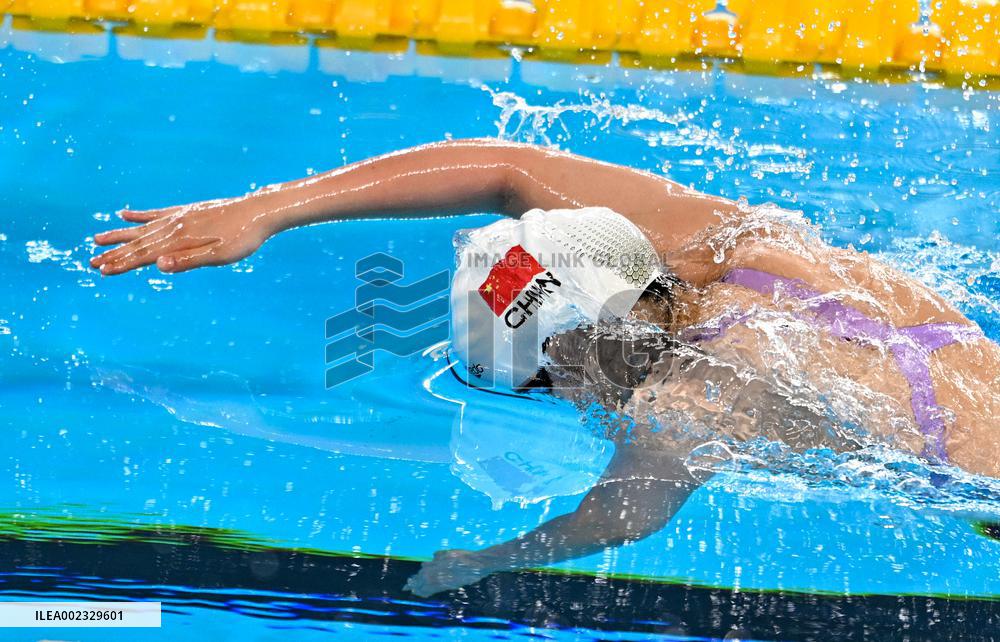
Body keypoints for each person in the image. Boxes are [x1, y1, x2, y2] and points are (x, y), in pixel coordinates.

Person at [89, 139, 1000, 596]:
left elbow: (625, 517)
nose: (560, 393)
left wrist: (488, 559)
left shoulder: (702, 389)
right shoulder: (736, 244)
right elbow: (509, 165)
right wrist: (272, 208)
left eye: (546, 374)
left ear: (594, 345)